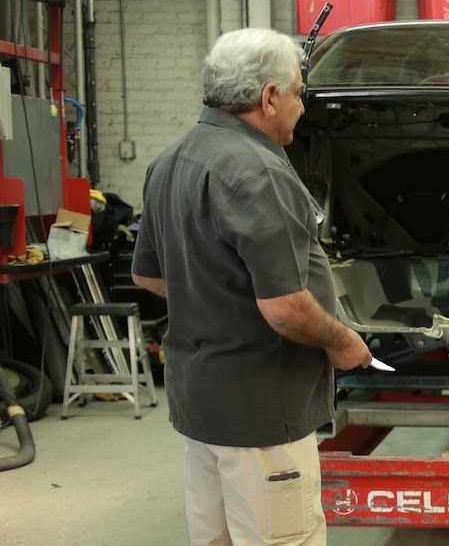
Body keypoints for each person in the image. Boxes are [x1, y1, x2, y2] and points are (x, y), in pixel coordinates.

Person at [131, 28, 370, 546]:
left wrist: (216, 301)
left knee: (215, 537)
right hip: (263, 410)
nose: (302, 108)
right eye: (299, 93)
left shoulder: (170, 160)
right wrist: (343, 342)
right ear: (269, 97)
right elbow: (285, 308)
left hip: (202, 402)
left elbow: (148, 275)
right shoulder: (259, 172)